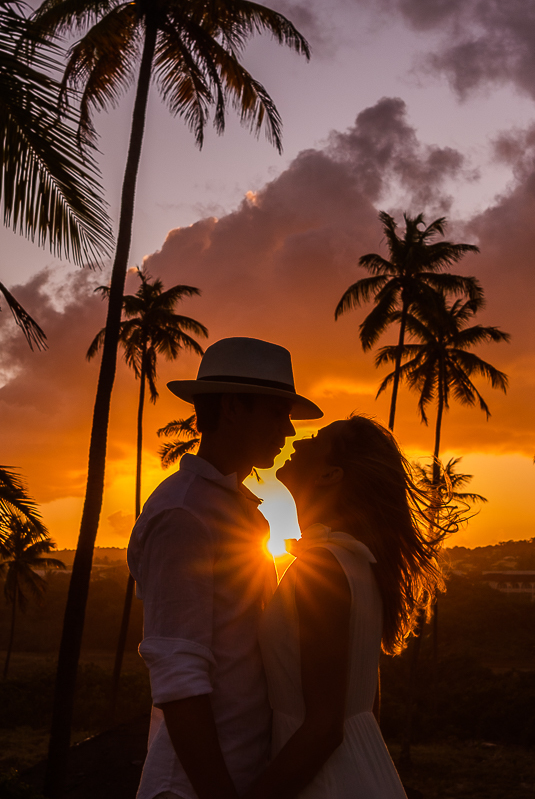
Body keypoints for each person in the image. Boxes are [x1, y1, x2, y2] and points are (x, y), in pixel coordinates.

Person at [128, 337, 323, 799]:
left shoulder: (235, 511)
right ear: (234, 407)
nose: (289, 431)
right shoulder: (186, 514)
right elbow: (179, 674)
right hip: (194, 786)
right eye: (278, 413)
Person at [244, 415, 446, 799]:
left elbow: (324, 729)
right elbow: (366, 704)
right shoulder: (357, 563)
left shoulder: (324, 568)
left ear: (329, 475)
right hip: (359, 768)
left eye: (317, 439)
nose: (299, 440)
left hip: (325, 781)